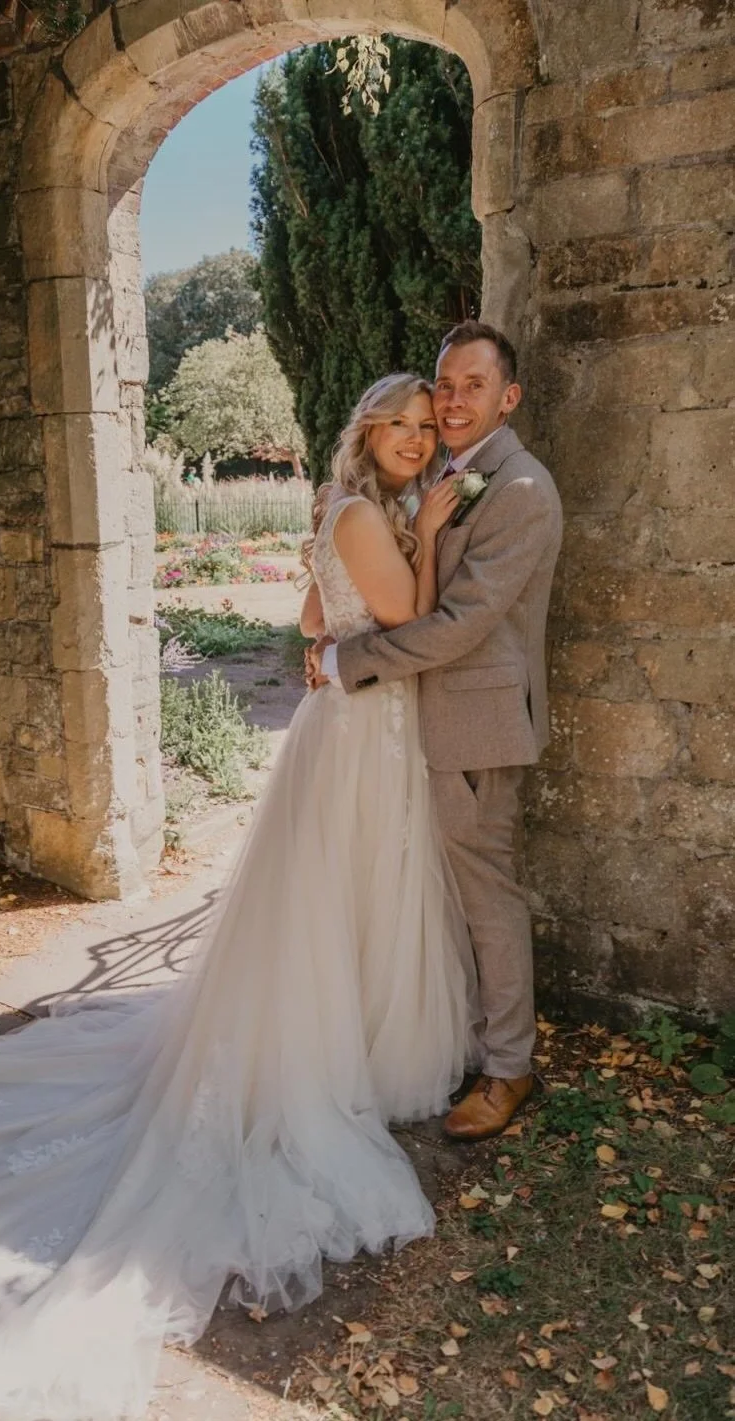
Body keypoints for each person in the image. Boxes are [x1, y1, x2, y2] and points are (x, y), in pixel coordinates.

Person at [0, 373, 479, 1421]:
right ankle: (336, 1058)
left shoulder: (344, 509)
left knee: (339, 903)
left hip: (355, 728)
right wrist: (435, 527)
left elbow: (318, 613)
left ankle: (352, 1038)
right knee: (347, 896)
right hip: (363, 737)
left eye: (424, 427)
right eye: (398, 426)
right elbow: (403, 612)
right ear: (368, 435)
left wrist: (346, 614)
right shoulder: (370, 512)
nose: (415, 440)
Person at [307, 320, 564, 1142]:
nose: (451, 401)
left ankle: (509, 1070)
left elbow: (457, 625)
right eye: (444, 384)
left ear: (508, 397)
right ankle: (449, 1040)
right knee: (434, 893)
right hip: (417, 721)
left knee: (488, 896)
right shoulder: (444, 478)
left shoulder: (519, 491)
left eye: (472, 386)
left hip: (478, 724)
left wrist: (351, 662)